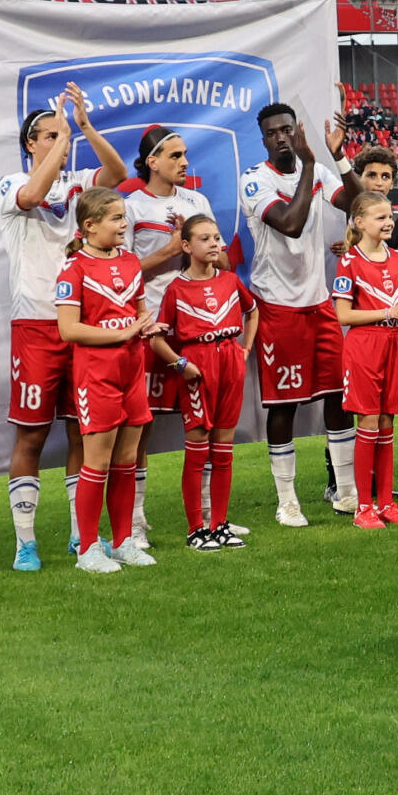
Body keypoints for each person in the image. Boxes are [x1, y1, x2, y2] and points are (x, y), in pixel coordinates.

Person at [0, 87, 126, 567]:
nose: (60, 142)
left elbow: (118, 175)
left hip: (83, 323)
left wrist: (84, 128)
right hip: (35, 325)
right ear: (31, 143)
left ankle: (79, 533)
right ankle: (25, 541)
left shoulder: (77, 184)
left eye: (61, 135)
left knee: (79, 432)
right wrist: (62, 137)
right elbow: (32, 194)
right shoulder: (9, 184)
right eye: (50, 136)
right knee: (30, 435)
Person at [238, 101, 348, 525]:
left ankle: (346, 489)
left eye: (287, 129)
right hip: (278, 304)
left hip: (319, 301)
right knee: (284, 405)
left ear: (296, 129)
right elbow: (291, 223)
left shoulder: (318, 171)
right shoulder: (255, 180)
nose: (281, 137)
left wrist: (337, 156)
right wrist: (308, 165)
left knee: (338, 395)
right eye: (273, 133)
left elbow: (358, 202)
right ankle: (287, 501)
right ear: (264, 139)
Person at [56, 187, 160, 572]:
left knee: (127, 460)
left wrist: (147, 328)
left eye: (123, 217)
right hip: (96, 373)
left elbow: (139, 314)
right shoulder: (74, 269)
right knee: (96, 462)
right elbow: (68, 329)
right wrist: (121, 333)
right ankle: (87, 550)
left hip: (133, 368)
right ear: (89, 226)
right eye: (116, 218)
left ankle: (122, 542)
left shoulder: (131, 262)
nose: (123, 224)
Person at [123, 125, 214, 544]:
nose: (184, 162)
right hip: (149, 328)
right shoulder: (130, 207)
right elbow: (121, 274)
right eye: (175, 155)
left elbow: (218, 258)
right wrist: (171, 248)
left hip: (196, 327)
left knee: (206, 422)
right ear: (152, 161)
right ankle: (136, 521)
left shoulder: (197, 202)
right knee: (140, 427)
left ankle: (212, 515)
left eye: (185, 154)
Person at [153, 215, 255, 549]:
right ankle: (196, 528)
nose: (215, 244)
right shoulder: (176, 289)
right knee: (198, 450)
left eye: (217, 237)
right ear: (186, 246)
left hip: (229, 361)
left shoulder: (229, 280)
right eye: (205, 239)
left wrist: (246, 348)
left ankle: (220, 524)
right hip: (198, 368)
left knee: (224, 451)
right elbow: (157, 339)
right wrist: (181, 364)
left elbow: (252, 311)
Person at [332, 191, 398, 530]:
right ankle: (363, 506)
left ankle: (386, 503)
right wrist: (388, 311)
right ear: (360, 222)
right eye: (380, 217)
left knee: (387, 422)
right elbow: (342, 314)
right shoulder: (349, 262)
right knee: (368, 422)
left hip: (394, 342)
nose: (388, 222)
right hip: (365, 346)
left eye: (390, 216)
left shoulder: (397, 257)